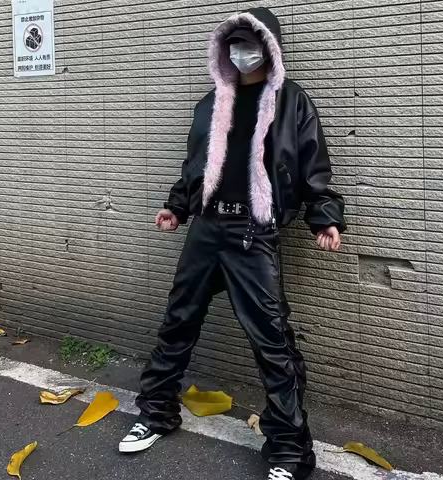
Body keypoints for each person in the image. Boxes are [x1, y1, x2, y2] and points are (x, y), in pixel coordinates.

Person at [119, 7, 346, 480]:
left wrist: (324, 217)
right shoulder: (211, 102)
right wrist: (177, 207)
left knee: (272, 340)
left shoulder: (291, 101)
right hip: (206, 228)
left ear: (270, 48)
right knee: (177, 322)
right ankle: (156, 413)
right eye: (235, 44)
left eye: (251, 44)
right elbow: (195, 164)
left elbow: (313, 165)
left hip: (253, 232)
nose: (242, 53)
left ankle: (290, 450)